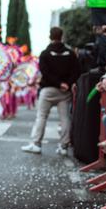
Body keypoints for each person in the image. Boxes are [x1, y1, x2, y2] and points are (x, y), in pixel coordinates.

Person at [22, 27, 81, 155]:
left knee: (42, 116)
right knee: (65, 118)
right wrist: (67, 83)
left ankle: (36, 144)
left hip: (48, 89)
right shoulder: (70, 54)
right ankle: (64, 147)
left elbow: (45, 73)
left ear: (50, 37)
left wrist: (58, 83)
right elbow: (76, 71)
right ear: (62, 37)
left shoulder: (45, 54)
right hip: (65, 92)